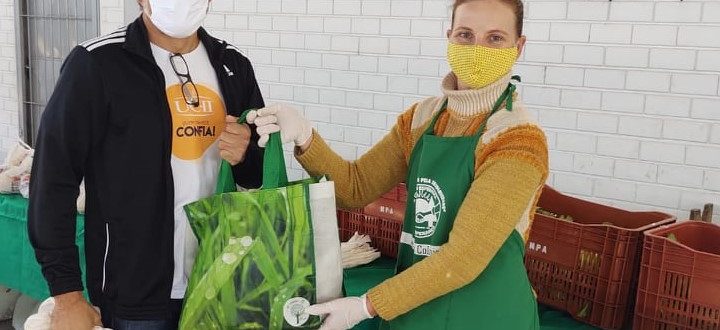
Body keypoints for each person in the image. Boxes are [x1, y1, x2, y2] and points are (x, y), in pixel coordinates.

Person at [249, 0, 547, 329]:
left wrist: (366, 305)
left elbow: (463, 258)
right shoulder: (421, 119)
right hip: (415, 308)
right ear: (449, 37)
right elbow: (354, 187)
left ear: (518, 47)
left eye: (495, 38)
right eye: (465, 34)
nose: (477, 48)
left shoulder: (517, 139)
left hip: (485, 314)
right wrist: (305, 136)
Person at [27, 0, 265, 329]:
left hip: (221, 284)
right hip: (134, 296)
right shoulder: (98, 63)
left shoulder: (232, 65)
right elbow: (52, 180)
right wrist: (67, 294)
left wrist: (245, 156)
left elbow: (258, 178)